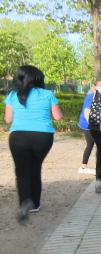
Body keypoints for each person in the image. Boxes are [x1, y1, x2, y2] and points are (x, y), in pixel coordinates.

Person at [3, 65, 63, 223]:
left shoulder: (13, 95)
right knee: (35, 168)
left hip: (18, 136)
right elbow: (58, 117)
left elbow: (8, 120)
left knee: (21, 171)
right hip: (43, 136)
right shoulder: (48, 94)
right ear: (38, 79)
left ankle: (25, 201)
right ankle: (35, 204)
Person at [77, 86, 96, 174]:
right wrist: (93, 125)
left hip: (89, 125)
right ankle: (83, 166)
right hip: (87, 125)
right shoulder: (91, 96)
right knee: (90, 144)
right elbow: (87, 112)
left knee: (94, 144)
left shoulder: (94, 95)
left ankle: (99, 162)